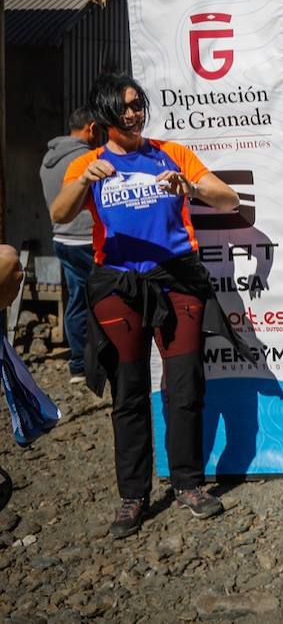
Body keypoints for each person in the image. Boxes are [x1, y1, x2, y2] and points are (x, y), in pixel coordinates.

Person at [49, 73, 241, 538]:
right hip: (118, 286)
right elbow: (59, 214)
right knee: (128, 392)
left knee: (184, 385)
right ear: (103, 117)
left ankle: (189, 484)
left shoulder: (170, 154)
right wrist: (82, 183)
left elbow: (229, 197)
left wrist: (189, 188)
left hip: (176, 277)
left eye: (138, 105)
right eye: (124, 107)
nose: (134, 114)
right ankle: (132, 497)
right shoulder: (88, 164)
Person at [39, 106, 104, 382]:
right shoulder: (85, 159)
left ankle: (78, 363)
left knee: (76, 301)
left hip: (60, 238)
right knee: (102, 301)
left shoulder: (48, 159)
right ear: (90, 128)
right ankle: (100, 362)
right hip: (85, 238)